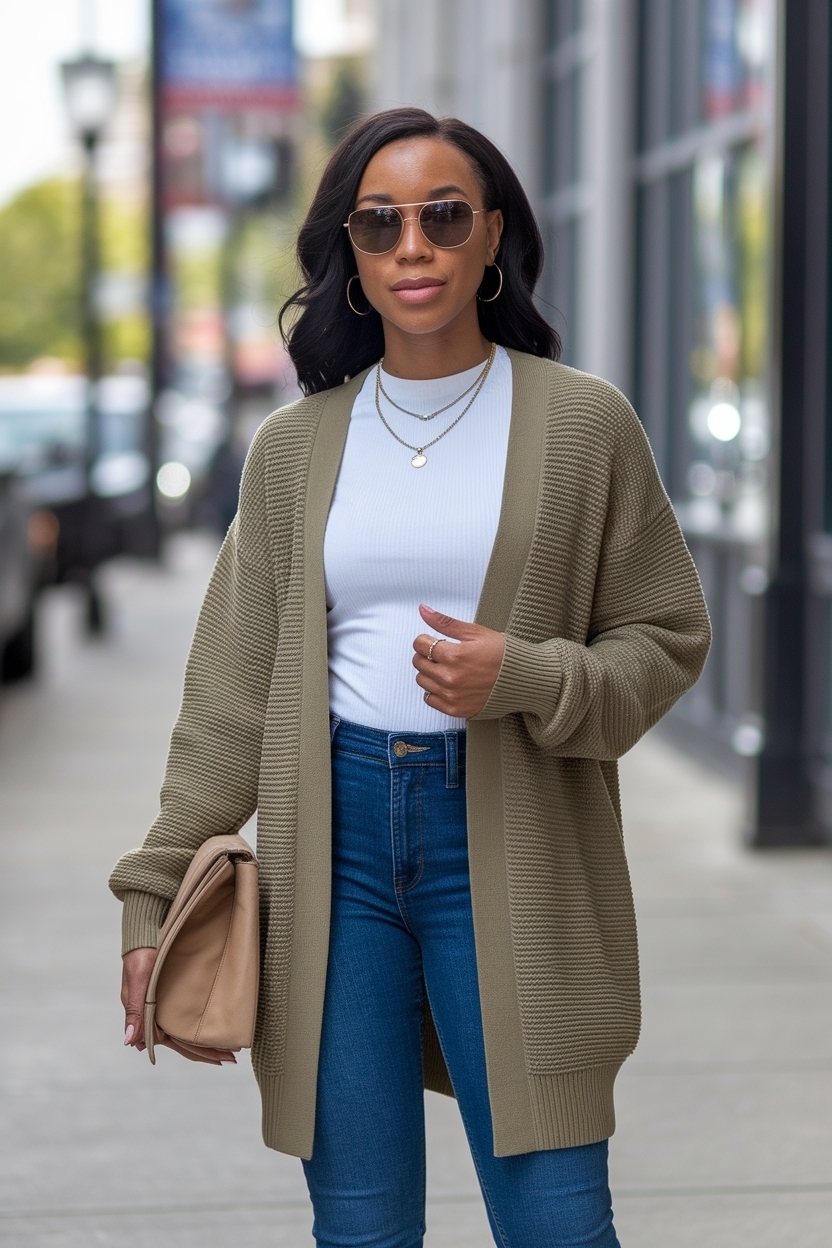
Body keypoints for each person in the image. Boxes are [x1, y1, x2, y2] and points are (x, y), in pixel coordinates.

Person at [110, 108, 711, 1248]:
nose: (413, 248)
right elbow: (231, 692)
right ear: (352, 255)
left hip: (516, 841)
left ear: (492, 237)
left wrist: (526, 675)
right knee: (363, 1227)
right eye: (379, 225)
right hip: (328, 847)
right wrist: (153, 891)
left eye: (443, 217)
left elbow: (665, 636)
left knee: (556, 1221)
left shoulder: (583, 425)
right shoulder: (295, 447)